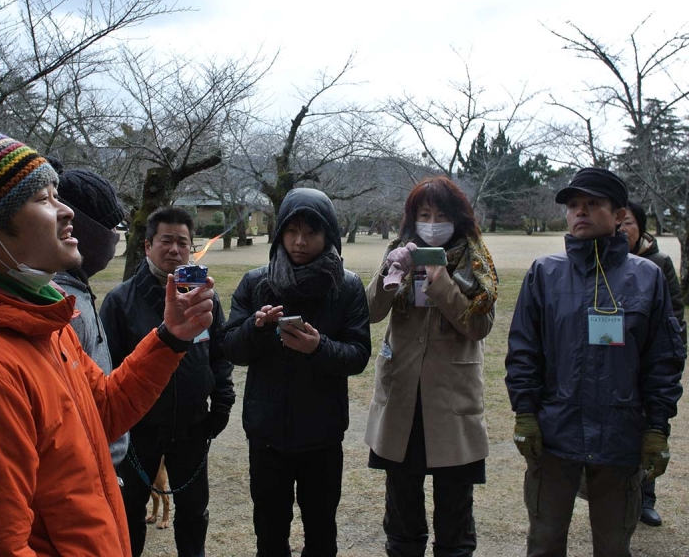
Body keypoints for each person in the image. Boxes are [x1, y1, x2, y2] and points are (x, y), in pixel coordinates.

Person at [0, 129, 215, 557]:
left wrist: (170, 337)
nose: (66, 211)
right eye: (43, 199)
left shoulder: (43, 324)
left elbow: (104, 411)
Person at [505, 168, 685, 557]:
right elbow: (523, 351)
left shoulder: (647, 278)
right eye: (573, 205)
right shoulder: (544, 274)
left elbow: (663, 359)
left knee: (613, 544)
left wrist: (657, 427)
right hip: (555, 433)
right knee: (544, 541)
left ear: (619, 215)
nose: (580, 212)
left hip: (620, 434)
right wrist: (526, 413)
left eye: (592, 203)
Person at [222, 187, 371, 557]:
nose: (300, 241)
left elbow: (358, 355)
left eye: (311, 232)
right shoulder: (256, 283)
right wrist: (255, 328)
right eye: (291, 231)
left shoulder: (347, 286)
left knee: (321, 534)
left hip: (322, 435)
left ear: (329, 235)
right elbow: (231, 349)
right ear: (279, 234)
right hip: (266, 434)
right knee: (270, 535)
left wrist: (318, 347)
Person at [364, 176, 498, 557]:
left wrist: (442, 284)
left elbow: (479, 326)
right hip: (402, 401)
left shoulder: (475, 261)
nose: (432, 223)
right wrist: (391, 274)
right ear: (413, 219)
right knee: (402, 518)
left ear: (458, 218)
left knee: (455, 521)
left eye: (441, 215)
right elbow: (369, 312)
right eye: (424, 215)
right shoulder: (399, 253)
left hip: (451, 404)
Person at [101, 206, 234, 557]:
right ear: (147, 246)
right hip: (138, 432)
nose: (175, 249)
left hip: (193, 426)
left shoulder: (203, 298)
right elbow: (107, 369)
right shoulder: (120, 301)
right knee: (130, 512)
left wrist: (222, 403)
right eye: (166, 240)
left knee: (194, 513)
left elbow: (219, 355)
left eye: (183, 242)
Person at [52, 167, 130, 467]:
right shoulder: (62, 308)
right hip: (86, 469)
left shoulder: (79, 292)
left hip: (102, 466)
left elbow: (102, 397)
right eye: (108, 229)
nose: (114, 238)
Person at [620, 200, 686, 527]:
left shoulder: (659, 264)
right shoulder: (603, 263)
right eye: (618, 222)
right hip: (617, 359)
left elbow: (676, 317)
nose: (622, 229)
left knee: (652, 426)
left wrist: (672, 356)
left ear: (641, 228)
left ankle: (646, 498)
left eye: (629, 223)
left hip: (648, 361)